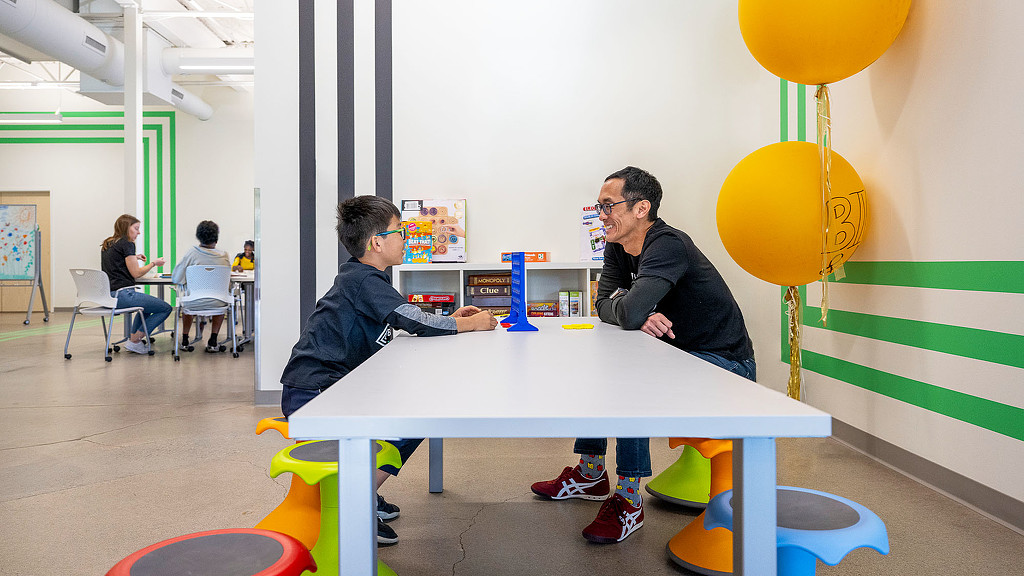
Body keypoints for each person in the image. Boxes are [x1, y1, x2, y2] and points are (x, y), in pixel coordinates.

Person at [530, 166, 755, 544]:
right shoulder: (617, 246)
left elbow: (626, 310)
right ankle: (591, 473)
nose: (601, 215)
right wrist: (636, 311)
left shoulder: (667, 244)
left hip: (725, 365)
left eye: (608, 206)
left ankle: (629, 500)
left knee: (629, 383)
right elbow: (603, 305)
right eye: (599, 207)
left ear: (641, 208)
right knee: (601, 367)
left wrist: (634, 310)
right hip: (677, 355)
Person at [279, 195, 498, 545]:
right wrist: (470, 324)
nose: (407, 238)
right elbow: (413, 320)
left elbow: (406, 317)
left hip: (331, 386)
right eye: (401, 231)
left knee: (414, 413)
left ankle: (361, 488)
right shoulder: (363, 280)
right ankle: (356, 498)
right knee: (414, 418)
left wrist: (446, 320)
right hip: (316, 394)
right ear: (377, 243)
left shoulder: (365, 278)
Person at [100, 214, 173, 354]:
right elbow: (136, 273)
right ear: (126, 228)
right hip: (124, 295)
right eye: (136, 228)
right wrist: (154, 263)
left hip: (109, 295)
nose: (138, 233)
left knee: (146, 307)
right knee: (165, 308)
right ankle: (134, 341)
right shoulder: (127, 244)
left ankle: (134, 340)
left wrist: (134, 257)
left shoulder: (108, 243)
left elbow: (117, 262)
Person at [170, 220, 231, 353]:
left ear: (198, 236)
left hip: (194, 303)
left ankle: (185, 339)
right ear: (216, 238)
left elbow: (176, 278)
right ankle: (213, 340)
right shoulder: (224, 256)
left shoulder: (192, 253)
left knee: (187, 299)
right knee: (220, 298)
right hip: (218, 303)